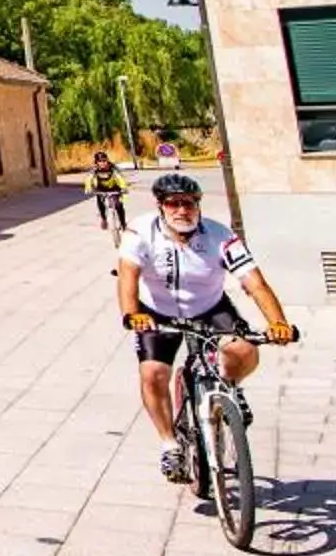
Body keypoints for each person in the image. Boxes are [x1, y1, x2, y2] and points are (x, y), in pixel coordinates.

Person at [119, 173, 297, 485]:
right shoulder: (140, 231)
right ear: (161, 206)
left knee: (245, 349)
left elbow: (255, 283)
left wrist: (278, 323)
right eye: (173, 203)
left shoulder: (219, 235)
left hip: (210, 307)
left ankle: (229, 388)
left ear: (198, 205)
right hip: (156, 312)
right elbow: (128, 276)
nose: (181, 210)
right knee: (153, 374)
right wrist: (132, 314)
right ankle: (170, 444)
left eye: (188, 203)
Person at [85, 151, 128, 232]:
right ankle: (104, 219)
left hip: (114, 188)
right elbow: (89, 178)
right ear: (96, 162)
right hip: (101, 189)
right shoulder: (95, 169)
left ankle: (123, 224)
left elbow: (120, 178)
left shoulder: (112, 168)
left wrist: (124, 187)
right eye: (100, 161)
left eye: (104, 161)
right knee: (100, 201)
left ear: (107, 160)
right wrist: (88, 187)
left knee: (119, 205)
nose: (103, 163)